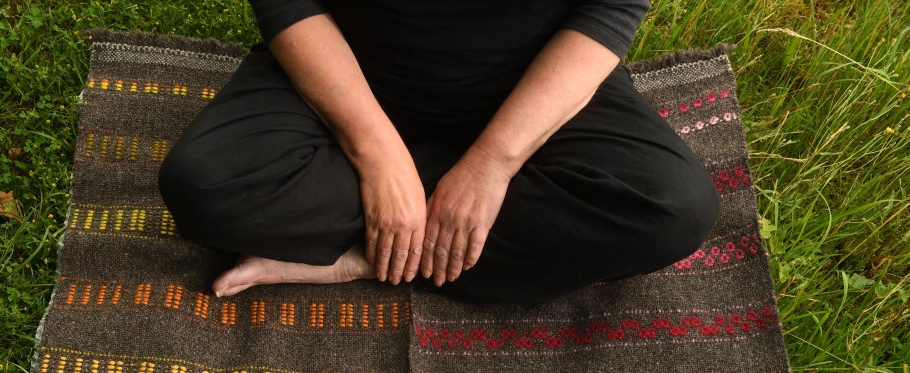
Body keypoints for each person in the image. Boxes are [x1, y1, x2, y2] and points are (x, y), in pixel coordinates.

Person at [158, 0, 720, 305]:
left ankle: (368, 255)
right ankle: (418, 233)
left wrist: (492, 164)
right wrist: (378, 155)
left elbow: (609, 10)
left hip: (530, 82)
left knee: (669, 211)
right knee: (205, 185)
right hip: (351, 72)